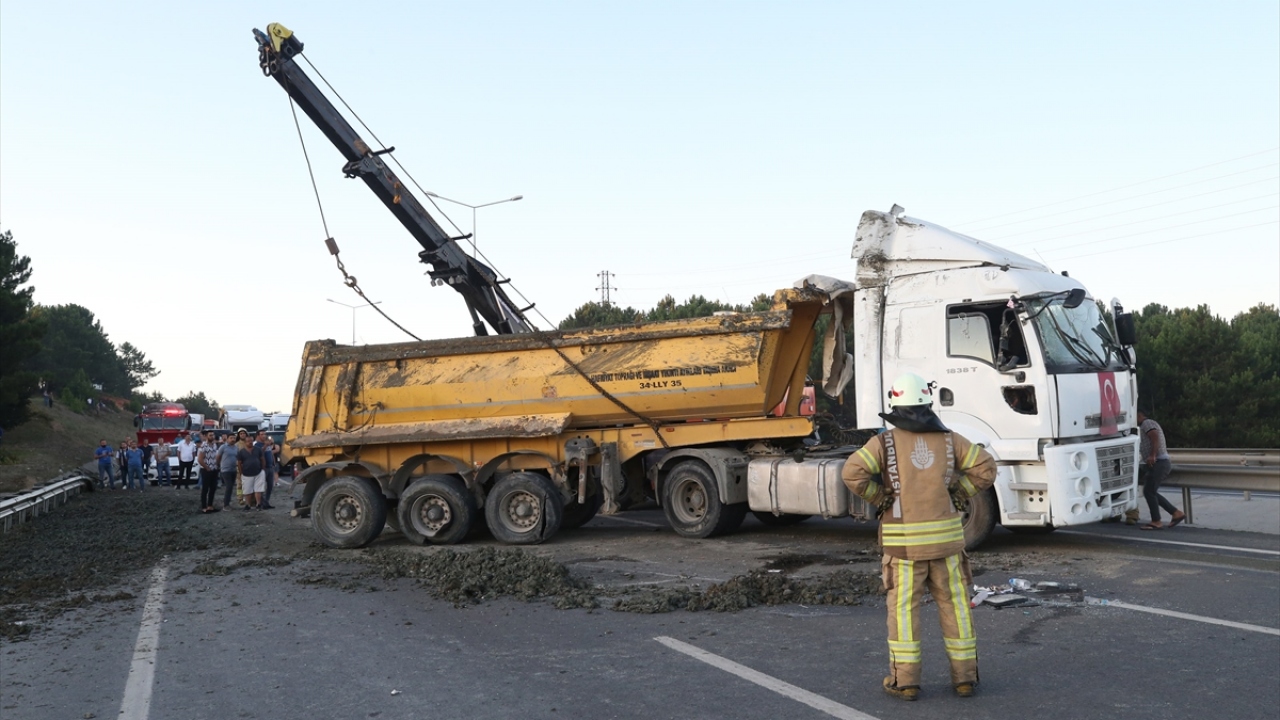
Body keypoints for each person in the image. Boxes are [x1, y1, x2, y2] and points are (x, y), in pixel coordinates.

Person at [841, 373, 997, 701]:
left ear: (895, 405)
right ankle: (965, 678)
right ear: (928, 402)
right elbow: (985, 468)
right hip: (948, 545)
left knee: (903, 611)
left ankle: (905, 681)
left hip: (904, 549)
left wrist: (880, 497)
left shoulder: (883, 444)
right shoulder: (950, 440)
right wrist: (959, 492)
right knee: (956, 607)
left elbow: (851, 472)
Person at [1135, 409, 1184, 530]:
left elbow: (1154, 436)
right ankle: (1175, 513)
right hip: (1156, 462)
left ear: (1139, 415)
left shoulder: (1147, 423)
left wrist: (1152, 455)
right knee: (1150, 491)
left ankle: (1157, 521)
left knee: (1149, 491)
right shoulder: (1144, 426)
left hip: (1159, 462)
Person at [238, 433, 267, 511]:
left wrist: (262, 469)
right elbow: (239, 463)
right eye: (248, 441)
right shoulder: (242, 451)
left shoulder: (258, 449)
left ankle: (258, 504)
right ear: (245, 442)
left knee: (258, 490)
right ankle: (248, 505)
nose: (250, 442)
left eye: (251, 441)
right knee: (247, 490)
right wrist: (241, 473)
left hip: (258, 472)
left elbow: (262, 459)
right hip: (246, 474)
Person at [197, 430, 220, 513]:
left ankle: (210, 505)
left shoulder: (214, 445)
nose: (212, 437)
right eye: (210, 435)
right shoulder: (203, 446)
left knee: (213, 488)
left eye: (213, 435)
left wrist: (217, 466)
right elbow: (200, 459)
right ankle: (204, 507)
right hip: (206, 470)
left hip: (214, 469)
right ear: (206, 436)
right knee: (205, 489)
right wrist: (206, 467)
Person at [215, 432, 240, 510]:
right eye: (231, 438)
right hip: (225, 470)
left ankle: (228, 503)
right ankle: (225, 505)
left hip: (233, 470)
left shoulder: (236, 447)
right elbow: (218, 457)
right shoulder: (223, 447)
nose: (233, 439)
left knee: (231, 487)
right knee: (228, 486)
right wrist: (219, 465)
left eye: (234, 438)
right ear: (227, 439)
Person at [261, 435, 279, 510]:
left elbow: (271, 454)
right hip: (264, 468)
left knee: (270, 486)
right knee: (261, 487)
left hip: (270, 467)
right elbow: (260, 453)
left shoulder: (269, 447)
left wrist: (274, 463)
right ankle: (261, 503)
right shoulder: (259, 445)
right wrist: (265, 445)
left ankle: (266, 502)